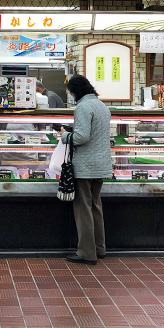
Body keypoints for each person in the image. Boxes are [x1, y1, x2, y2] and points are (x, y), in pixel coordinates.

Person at [59, 75, 112, 265]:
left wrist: (65, 135)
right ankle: (100, 248)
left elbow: (81, 137)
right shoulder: (101, 105)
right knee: (96, 206)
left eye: (71, 92)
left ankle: (86, 253)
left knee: (83, 209)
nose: (71, 95)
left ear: (75, 91)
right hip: (101, 164)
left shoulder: (82, 107)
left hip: (85, 166)